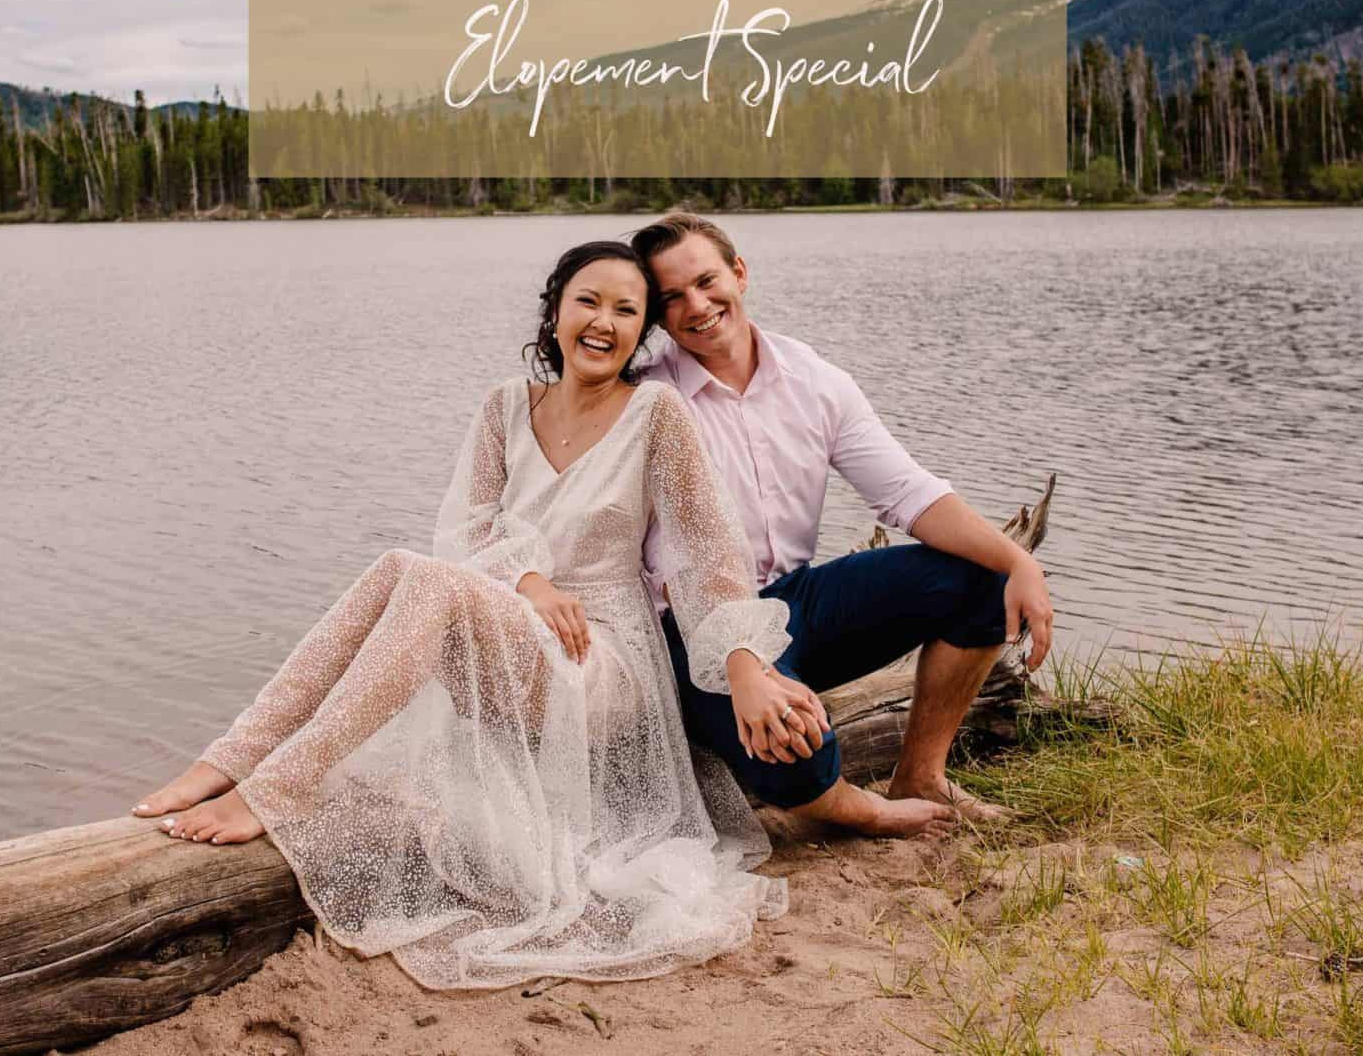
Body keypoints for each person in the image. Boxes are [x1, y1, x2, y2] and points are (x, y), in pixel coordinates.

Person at [127, 241, 917, 990]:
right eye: (588, 301)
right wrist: (531, 580)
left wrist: (746, 664)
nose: (604, 321)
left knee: (421, 580)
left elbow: (712, 558)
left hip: (601, 663)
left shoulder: (658, 414)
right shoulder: (505, 407)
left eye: (626, 309)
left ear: (642, 330)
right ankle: (231, 759)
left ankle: (272, 788)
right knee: (403, 569)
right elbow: (464, 534)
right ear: (554, 312)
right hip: (513, 630)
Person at [630, 212, 1056, 832]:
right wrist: (749, 667)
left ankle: (922, 776)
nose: (696, 305)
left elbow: (907, 493)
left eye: (705, 281)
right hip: (699, 630)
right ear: (658, 315)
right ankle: (853, 808)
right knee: (799, 754)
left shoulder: (814, 379)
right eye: (671, 297)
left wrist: (1019, 561)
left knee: (982, 583)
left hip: (797, 600)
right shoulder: (648, 401)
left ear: (739, 273)